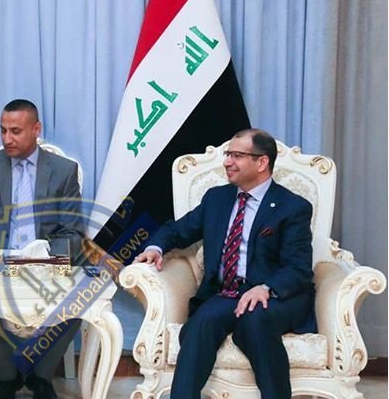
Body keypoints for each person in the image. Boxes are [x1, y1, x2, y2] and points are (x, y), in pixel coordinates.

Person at [135, 128, 316, 399]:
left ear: (261, 162)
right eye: (227, 154)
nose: (227, 162)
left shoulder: (292, 207)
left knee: (255, 320)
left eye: (236, 155)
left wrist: (266, 288)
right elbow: (178, 230)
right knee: (202, 321)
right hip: (228, 293)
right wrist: (155, 247)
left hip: (275, 296)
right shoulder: (216, 198)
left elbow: (298, 268)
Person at [0, 99, 84, 399]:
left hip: (45, 266)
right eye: (3, 130)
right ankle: (8, 376)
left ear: (36, 129)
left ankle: (41, 377)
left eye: (16, 131)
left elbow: (74, 232)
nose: (7, 139)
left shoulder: (64, 171)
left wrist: (46, 258)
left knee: (79, 303)